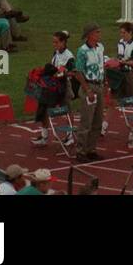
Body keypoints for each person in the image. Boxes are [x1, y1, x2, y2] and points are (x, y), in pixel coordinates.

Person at [31, 31, 75, 147]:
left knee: (67, 111)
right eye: (53, 42)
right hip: (53, 86)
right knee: (44, 108)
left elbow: (72, 73)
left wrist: (62, 73)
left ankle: (70, 136)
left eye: (56, 42)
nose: (54, 44)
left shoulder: (69, 56)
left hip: (64, 86)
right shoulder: (55, 53)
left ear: (63, 42)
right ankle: (44, 136)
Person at [74, 23, 105, 162]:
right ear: (90, 35)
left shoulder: (100, 48)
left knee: (98, 121)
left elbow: (102, 66)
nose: (99, 34)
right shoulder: (82, 51)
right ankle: (80, 151)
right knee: (86, 121)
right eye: (97, 32)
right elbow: (78, 72)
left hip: (99, 85)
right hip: (90, 87)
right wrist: (87, 89)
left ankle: (91, 149)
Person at [113, 20, 133, 99]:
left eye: (124, 33)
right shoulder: (120, 42)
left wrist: (124, 62)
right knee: (117, 97)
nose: (121, 35)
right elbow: (119, 55)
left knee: (132, 98)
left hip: (130, 74)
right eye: (121, 32)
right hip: (119, 73)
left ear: (130, 33)